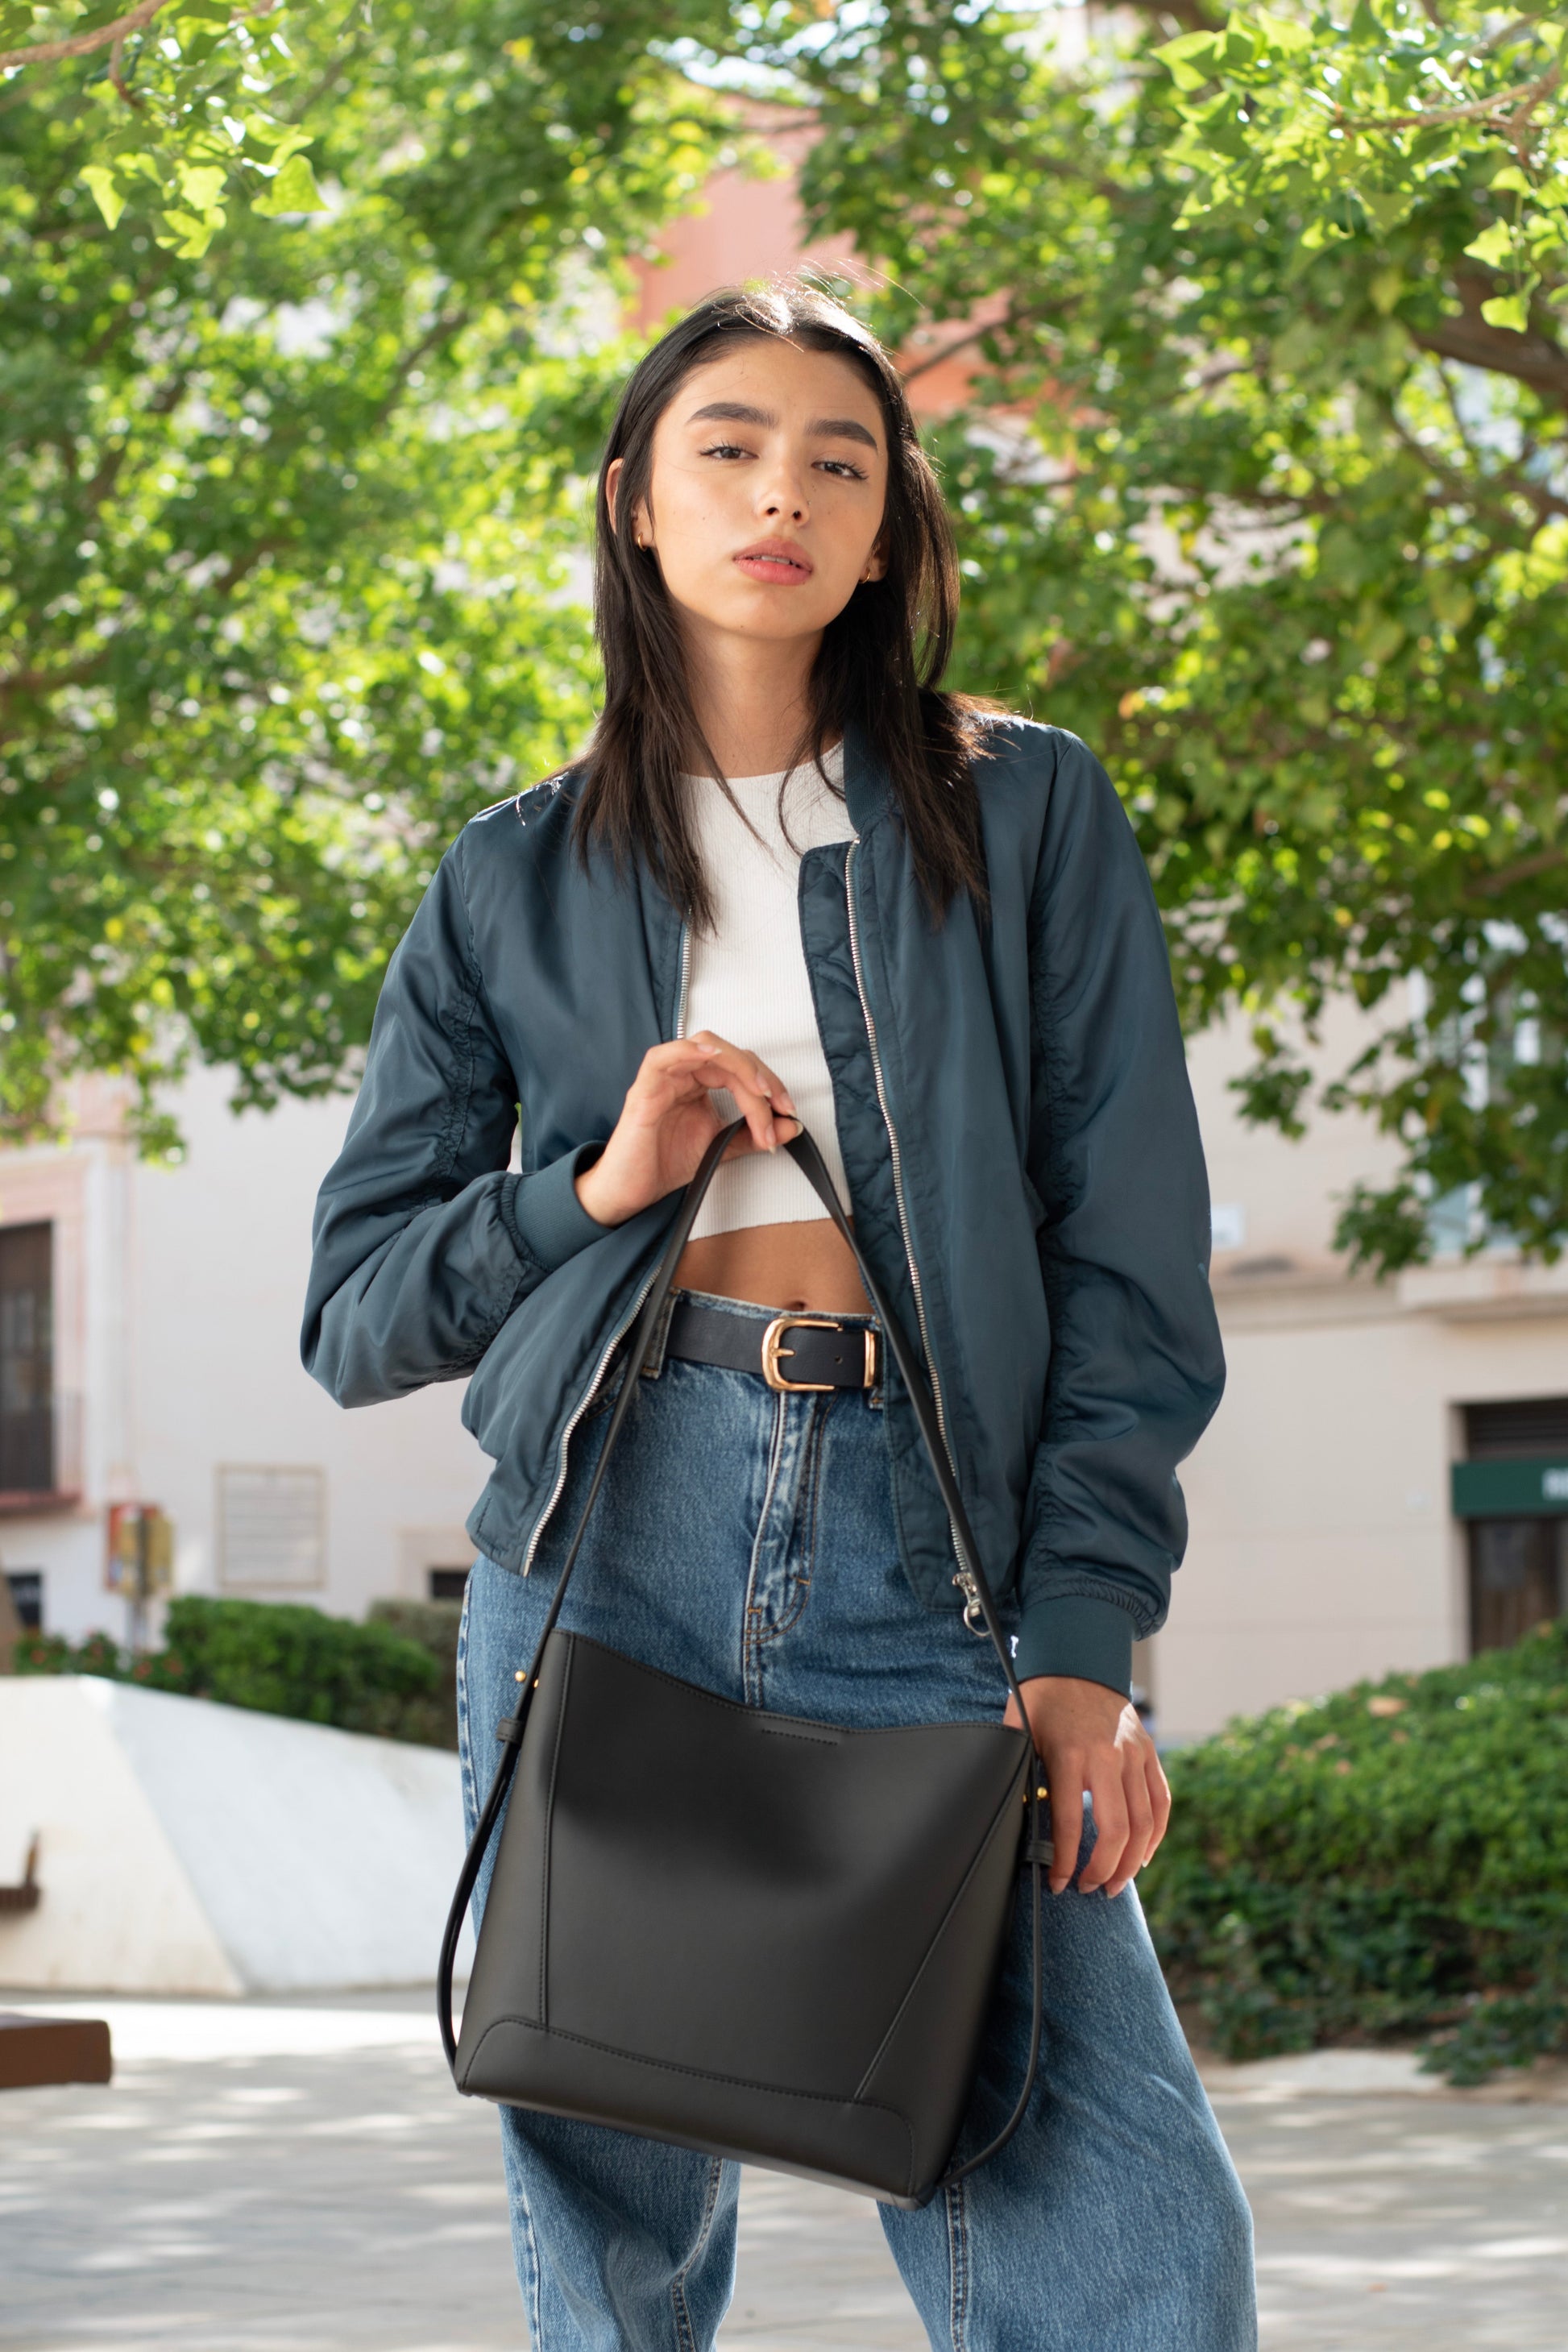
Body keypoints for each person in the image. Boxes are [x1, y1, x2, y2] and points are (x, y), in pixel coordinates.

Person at [301, 280, 1255, 2351]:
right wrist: (594, 1185)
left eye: (842, 458)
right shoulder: (510, 878)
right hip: (606, 1548)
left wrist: (1085, 1637)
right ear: (634, 500)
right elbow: (357, 1310)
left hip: (938, 1541)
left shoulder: (1024, 814)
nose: (784, 492)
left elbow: (1129, 1262)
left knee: (1107, 2206)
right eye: (729, 445)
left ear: (892, 527)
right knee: (610, 2177)